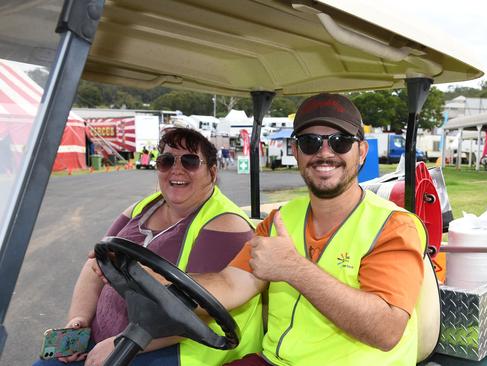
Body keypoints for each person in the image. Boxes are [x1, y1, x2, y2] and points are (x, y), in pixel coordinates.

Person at [192, 93, 427, 365]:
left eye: (340, 142)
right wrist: (161, 283)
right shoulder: (281, 220)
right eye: (310, 142)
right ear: (296, 152)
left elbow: (386, 330)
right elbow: (230, 285)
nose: (325, 153)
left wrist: (293, 268)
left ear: (361, 152)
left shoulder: (393, 226)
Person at [34, 128, 263, 366]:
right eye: (166, 161)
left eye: (190, 161)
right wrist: (79, 320)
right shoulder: (143, 208)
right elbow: (96, 262)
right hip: (109, 339)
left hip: (169, 347)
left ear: (212, 172)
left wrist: (124, 343)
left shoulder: (225, 224)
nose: (176, 168)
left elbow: (202, 311)